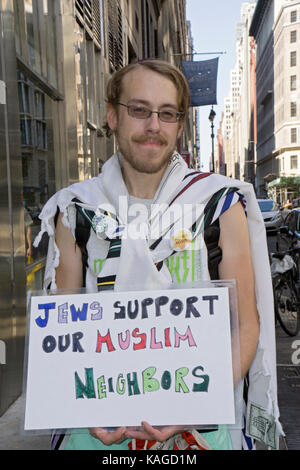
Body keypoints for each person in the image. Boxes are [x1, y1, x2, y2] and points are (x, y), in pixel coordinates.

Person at [34, 59, 283, 450]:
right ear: (112, 115)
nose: (153, 125)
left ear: (180, 126)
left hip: (202, 428)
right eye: (139, 110)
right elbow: (65, 328)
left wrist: (191, 405)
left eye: (167, 114)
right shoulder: (77, 210)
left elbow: (245, 325)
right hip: (101, 431)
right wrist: (84, 409)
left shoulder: (217, 203)